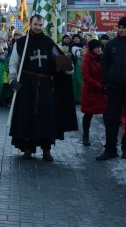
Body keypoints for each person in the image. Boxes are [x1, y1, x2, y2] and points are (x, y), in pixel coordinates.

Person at [8, 14, 77, 161]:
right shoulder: (21, 42)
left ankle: (46, 149)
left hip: (45, 85)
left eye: (40, 25)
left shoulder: (48, 42)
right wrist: (12, 79)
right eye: (35, 25)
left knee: (46, 116)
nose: (38, 28)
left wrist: (67, 65)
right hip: (26, 85)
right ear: (30, 24)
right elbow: (14, 63)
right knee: (27, 117)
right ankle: (28, 148)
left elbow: (59, 60)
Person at [96, 15, 126, 161]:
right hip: (114, 87)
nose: (121, 30)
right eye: (120, 27)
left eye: (124, 28)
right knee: (111, 119)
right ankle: (110, 149)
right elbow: (104, 63)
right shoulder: (111, 44)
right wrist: (106, 80)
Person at [80, 39, 106, 146]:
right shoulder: (86, 60)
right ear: (91, 49)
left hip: (102, 90)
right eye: (96, 47)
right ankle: (85, 135)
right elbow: (86, 77)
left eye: (100, 47)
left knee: (107, 113)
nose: (99, 49)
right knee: (88, 114)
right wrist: (100, 86)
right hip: (90, 91)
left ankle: (109, 135)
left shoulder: (103, 58)